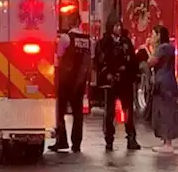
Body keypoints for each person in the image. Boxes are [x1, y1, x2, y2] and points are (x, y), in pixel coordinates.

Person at [94, 22, 140, 152]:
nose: (118, 28)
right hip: (110, 82)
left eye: (120, 26)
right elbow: (99, 61)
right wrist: (107, 74)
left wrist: (130, 73)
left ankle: (131, 138)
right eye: (116, 26)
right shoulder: (104, 43)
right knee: (109, 112)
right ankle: (109, 139)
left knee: (128, 110)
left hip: (125, 81)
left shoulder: (126, 42)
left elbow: (133, 60)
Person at [52, 11, 92, 152]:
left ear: (70, 22)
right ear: (79, 22)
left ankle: (62, 141)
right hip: (80, 81)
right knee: (78, 113)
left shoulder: (66, 38)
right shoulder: (88, 39)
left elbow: (59, 58)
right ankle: (77, 144)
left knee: (60, 112)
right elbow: (89, 60)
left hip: (66, 80)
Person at [147, 25, 178, 153]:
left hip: (163, 83)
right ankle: (166, 141)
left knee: (164, 111)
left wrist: (149, 49)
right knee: (168, 110)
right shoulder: (170, 48)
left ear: (159, 35)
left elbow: (151, 62)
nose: (152, 37)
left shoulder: (162, 48)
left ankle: (167, 143)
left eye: (154, 34)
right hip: (169, 81)